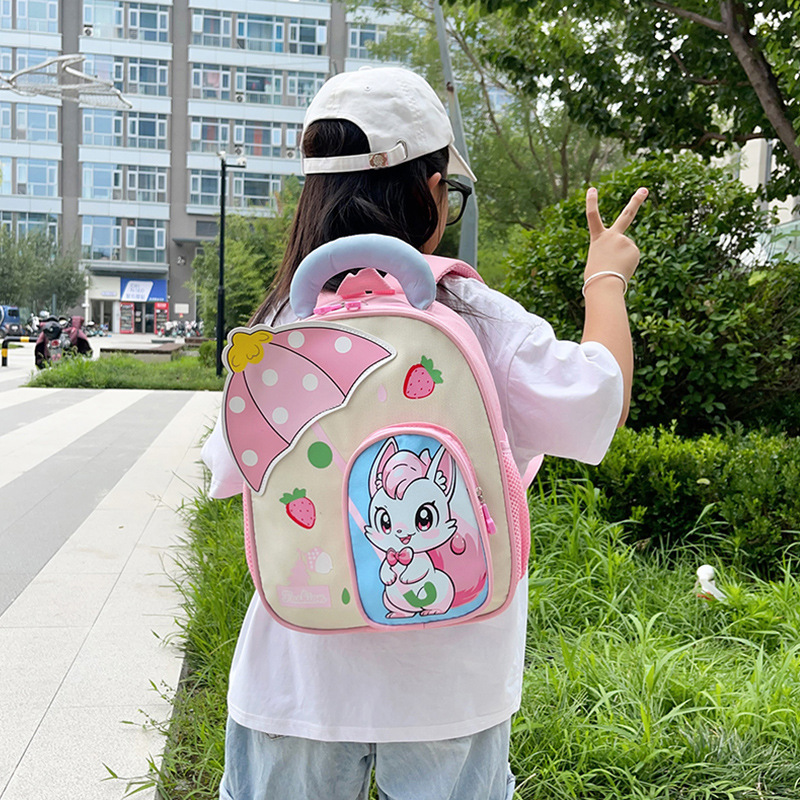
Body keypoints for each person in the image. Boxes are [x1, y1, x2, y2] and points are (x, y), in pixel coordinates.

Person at [201, 66, 647, 800]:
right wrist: (606, 280)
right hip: (453, 683)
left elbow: (227, 471)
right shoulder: (480, 318)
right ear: (434, 193)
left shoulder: (280, 329)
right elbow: (601, 403)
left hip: (297, 678)